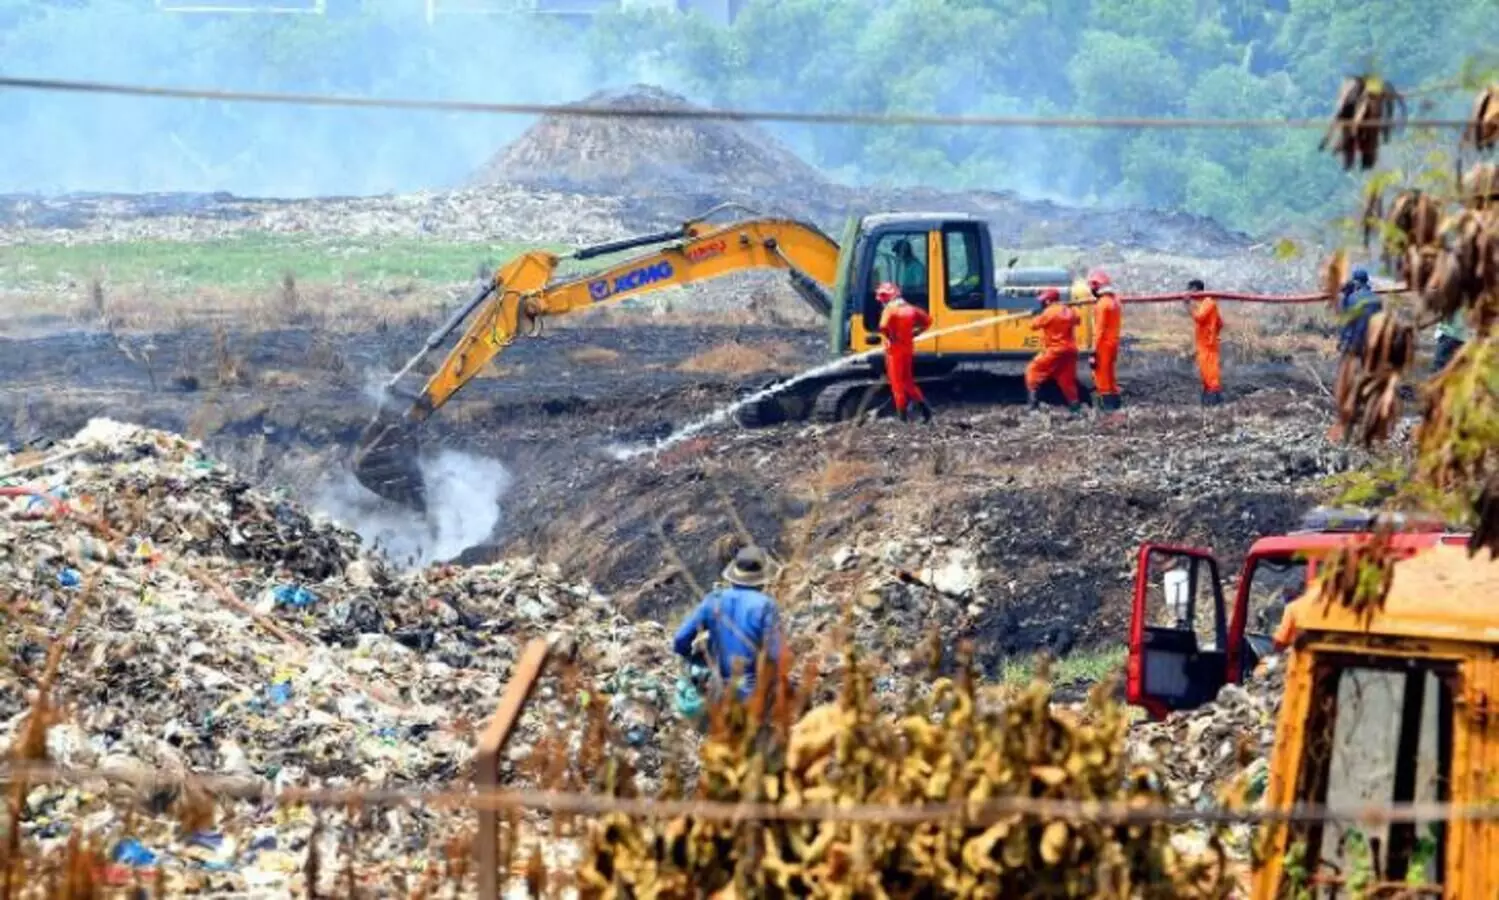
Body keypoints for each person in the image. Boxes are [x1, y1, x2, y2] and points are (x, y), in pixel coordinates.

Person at [672, 545, 785, 702]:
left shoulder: (713, 600)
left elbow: (679, 640)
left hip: (718, 694)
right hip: (754, 696)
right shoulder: (765, 605)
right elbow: (777, 655)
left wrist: (693, 660)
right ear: (762, 580)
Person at [877, 281, 934, 423]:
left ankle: (902, 419)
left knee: (897, 385)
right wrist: (915, 332)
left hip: (894, 352)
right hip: (908, 349)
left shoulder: (890, 310)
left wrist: (890, 338)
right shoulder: (911, 309)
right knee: (908, 382)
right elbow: (928, 321)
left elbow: (883, 326)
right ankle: (926, 412)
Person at [1025, 287, 1082, 414]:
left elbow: (1033, 326)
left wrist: (1036, 314)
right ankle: (1076, 409)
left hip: (1055, 350)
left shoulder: (1048, 313)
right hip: (1070, 351)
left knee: (1033, 370)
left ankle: (1033, 406)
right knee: (1067, 380)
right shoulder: (1070, 310)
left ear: (1048, 301)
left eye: (1044, 301)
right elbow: (1078, 319)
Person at [1088, 269, 1123, 410]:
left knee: (1102, 378)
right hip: (1113, 343)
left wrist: (1093, 351)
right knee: (1110, 376)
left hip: (1103, 345)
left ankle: (1108, 410)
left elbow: (1099, 329)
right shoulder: (1115, 302)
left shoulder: (1102, 304)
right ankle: (1116, 405)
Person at [1186, 279, 1224, 406]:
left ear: (1196, 289)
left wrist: (1188, 305)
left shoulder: (1208, 302)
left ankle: (1214, 401)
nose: (1189, 293)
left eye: (1190, 290)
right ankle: (1211, 401)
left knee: (1209, 372)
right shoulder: (1207, 302)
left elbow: (1199, 317)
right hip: (1206, 342)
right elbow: (1220, 323)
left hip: (1207, 343)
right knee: (1206, 370)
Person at [1337, 268, 1382, 358]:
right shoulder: (1377, 299)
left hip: (1357, 345)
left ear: (1356, 283)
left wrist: (1342, 342)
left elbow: (1346, 324)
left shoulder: (1352, 299)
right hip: (1375, 344)